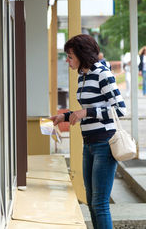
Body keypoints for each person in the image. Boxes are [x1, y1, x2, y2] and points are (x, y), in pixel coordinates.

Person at [50, 34, 126, 229]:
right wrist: (64, 117)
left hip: (105, 144)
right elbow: (86, 110)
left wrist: (87, 112)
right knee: (91, 201)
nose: (67, 60)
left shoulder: (102, 73)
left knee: (99, 204)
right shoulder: (83, 75)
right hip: (89, 144)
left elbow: (120, 109)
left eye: (70, 56)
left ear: (82, 54)